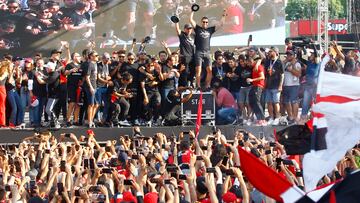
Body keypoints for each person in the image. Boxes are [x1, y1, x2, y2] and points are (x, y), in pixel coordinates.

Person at [189, 6, 226, 89]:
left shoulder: (210, 30)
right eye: (203, 22)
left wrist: (223, 16)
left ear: (208, 23)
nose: (205, 23)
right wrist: (192, 11)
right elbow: (191, 20)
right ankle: (198, 86)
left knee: (209, 70)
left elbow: (221, 24)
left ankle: (207, 85)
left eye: (206, 22)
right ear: (201, 22)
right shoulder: (198, 28)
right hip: (199, 52)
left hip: (207, 52)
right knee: (198, 70)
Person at [263, 46, 283, 125]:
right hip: (268, 86)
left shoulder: (279, 62)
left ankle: (277, 117)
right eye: (269, 51)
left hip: (276, 85)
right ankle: (271, 117)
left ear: (275, 52)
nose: (269, 53)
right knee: (269, 102)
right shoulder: (268, 62)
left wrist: (280, 85)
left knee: (276, 102)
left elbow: (282, 75)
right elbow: (266, 74)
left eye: (271, 51)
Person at [140, 59, 163, 125]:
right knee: (146, 105)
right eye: (148, 66)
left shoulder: (155, 71)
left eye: (152, 65)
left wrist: (160, 72)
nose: (150, 67)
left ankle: (156, 119)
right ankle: (147, 119)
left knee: (158, 102)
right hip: (147, 92)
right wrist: (145, 97)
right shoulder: (143, 74)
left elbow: (161, 79)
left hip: (155, 91)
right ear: (146, 66)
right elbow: (142, 86)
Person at [174, 20, 195, 86]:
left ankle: (191, 83)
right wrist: (176, 21)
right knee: (185, 72)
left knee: (193, 71)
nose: (189, 30)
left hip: (193, 56)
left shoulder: (193, 35)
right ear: (185, 29)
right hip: (185, 57)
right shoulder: (182, 35)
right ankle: (185, 85)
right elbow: (177, 30)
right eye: (187, 29)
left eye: (190, 29)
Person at [283, 50, 301, 124]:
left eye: (290, 55)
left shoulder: (297, 64)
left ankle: (295, 117)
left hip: (294, 85)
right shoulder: (285, 63)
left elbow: (299, 74)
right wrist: (285, 61)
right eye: (287, 55)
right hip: (286, 85)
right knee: (286, 101)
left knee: (294, 101)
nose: (288, 56)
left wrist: (291, 70)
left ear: (294, 56)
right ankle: (290, 117)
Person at [247, 56, 266, 126]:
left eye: (249, 63)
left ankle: (262, 119)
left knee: (257, 102)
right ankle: (259, 118)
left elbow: (262, 77)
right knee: (251, 102)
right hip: (254, 86)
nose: (249, 65)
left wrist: (252, 80)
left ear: (251, 61)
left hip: (259, 86)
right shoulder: (255, 67)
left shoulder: (259, 66)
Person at [65, 52, 83, 127]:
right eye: (78, 56)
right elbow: (65, 73)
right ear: (74, 57)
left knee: (78, 104)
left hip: (79, 87)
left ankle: (76, 120)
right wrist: (71, 71)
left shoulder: (81, 65)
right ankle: (68, 120)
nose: (80, 57)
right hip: (71, 87)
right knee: (71, 104)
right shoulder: (69, 65)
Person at [95, 52, 112, 124]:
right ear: (103, 58)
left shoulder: (109, 65)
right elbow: (98, 77)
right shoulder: (99, 65)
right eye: (106, 59)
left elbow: (110, 75)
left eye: (109, 58)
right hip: (99, 87)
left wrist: (109, 78)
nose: (108, 60)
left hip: (106, 88)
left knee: (107, 104)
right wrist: (107, 81)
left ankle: (103, 119)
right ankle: (98, 119)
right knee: (98, 104)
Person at [83, 50, 99, 128]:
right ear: (91, 57)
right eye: (96, 55)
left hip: (94, 86)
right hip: (91, 87)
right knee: (91, 104)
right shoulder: (90, 64)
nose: (97, 57)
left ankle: (91, 120)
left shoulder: (94, 64)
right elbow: (87, 77)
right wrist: (91, 87)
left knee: (96, 104)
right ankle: (89, 122)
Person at [44, 61, 61, 128]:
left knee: (48, 110)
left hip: (54, 95)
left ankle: (56, 123)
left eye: (47, 68)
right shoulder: (52, 73)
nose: (46, 69)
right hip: (52, 95)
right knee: (49, 109)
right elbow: (48, 78)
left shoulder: (54, 74)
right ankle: (52, 122)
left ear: (50, 68)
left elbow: (46, 81)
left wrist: (38, 77)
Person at [238, 54, 252, 125]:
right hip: (241, 87)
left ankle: (249, 118)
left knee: (248, 103)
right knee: (240, 103)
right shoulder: (239, 67)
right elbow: (235, 73)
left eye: (243, 61)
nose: (242, 63)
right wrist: (231, 74)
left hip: (249, 87)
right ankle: (245, 117)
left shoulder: (249, 66)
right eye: (240, 62)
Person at [0, 60, 9, 127]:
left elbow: (0, 79)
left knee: (2, 106)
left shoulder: (5, 72)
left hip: (1, 89)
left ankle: (2, 122)